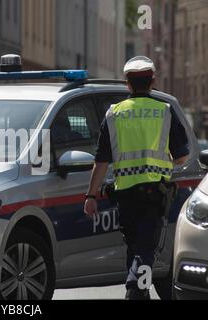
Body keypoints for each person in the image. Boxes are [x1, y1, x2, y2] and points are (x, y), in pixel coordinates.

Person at [83, 56, 189, 300]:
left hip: (125, 194)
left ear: (127, 84)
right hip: (155, 192)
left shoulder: (114, 114)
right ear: (152, 81)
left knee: (135, 246)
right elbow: (182, 157)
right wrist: (161, 163)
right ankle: (136, 288)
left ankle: (139, 291)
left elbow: (101, 160)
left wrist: (90, 195)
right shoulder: (165, 111)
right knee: (146, 249)